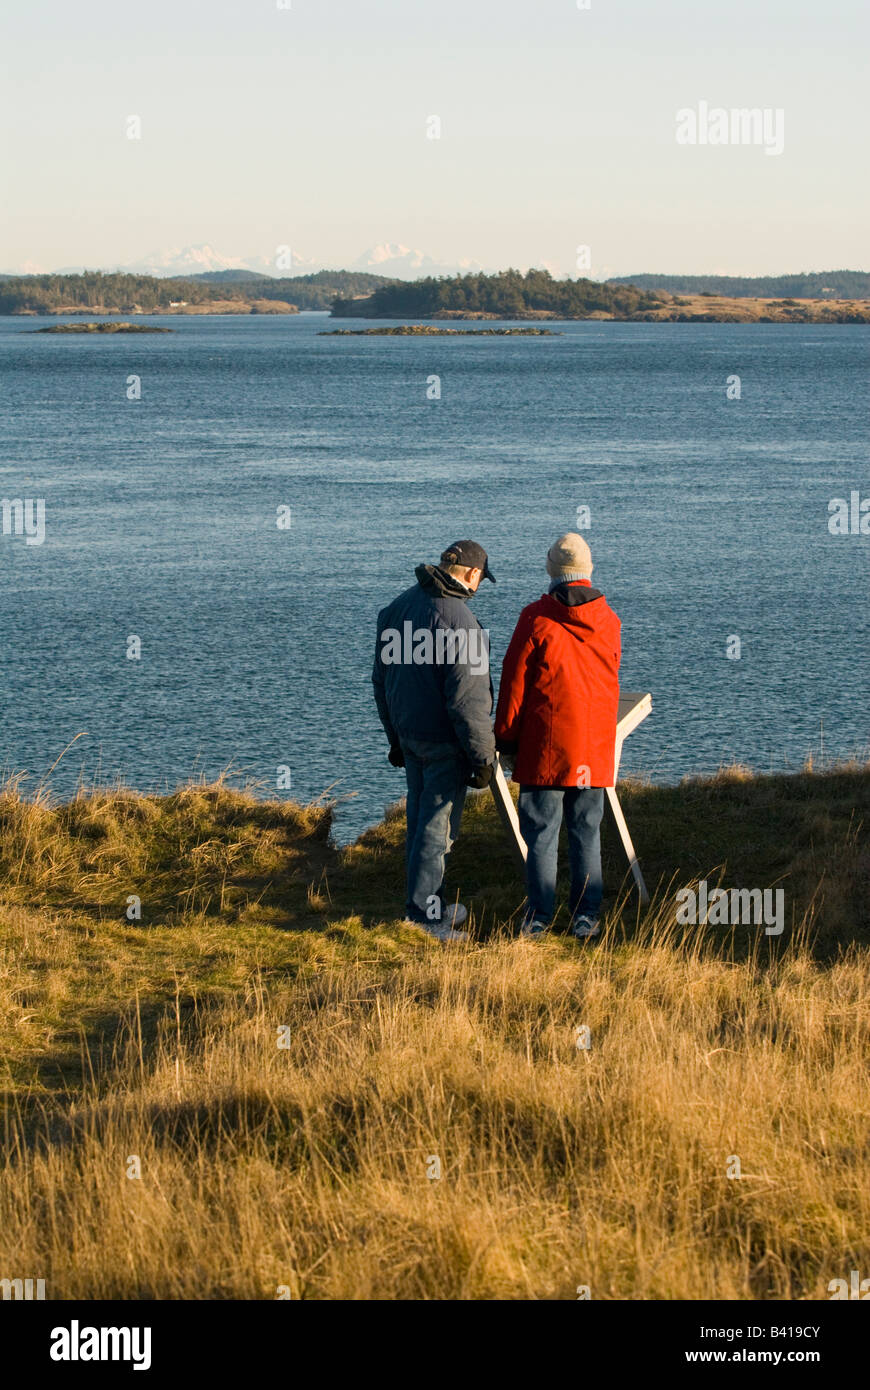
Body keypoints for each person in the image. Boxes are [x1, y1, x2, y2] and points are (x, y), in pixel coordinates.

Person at [494, 533, 621, 939]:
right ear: (588, 569)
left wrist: (506, 739)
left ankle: (538, 917)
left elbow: (514, 683)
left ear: (551, 570)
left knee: (542, 833)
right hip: (592, 747)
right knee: (586, 830)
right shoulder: (609, 621)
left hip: (545, 748)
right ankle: (586, 916)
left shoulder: (535, 618)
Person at [373, 540, 497, 940]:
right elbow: (468, 702)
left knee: (418, 822)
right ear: (473, 574)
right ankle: (425, 919)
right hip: (445, 743)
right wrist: (482, 758)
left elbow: (381, 682)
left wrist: (394, 737)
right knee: (436, 832)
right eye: (481, 580)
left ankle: (430, 905)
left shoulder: (396, 609)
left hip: (410, 737)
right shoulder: (462, 623)